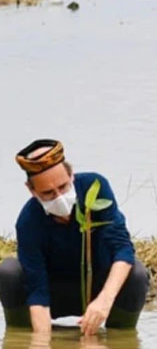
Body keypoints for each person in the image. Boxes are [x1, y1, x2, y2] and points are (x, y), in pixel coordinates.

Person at [0, 139, 149, 335]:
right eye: (48, 193)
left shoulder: (95, 188)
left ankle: (119, 335)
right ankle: (19, 332)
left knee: (137, 274)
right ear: (32, 191)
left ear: (71, 176)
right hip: (55, 291)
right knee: (9, 272)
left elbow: (122, 248)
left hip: (97, 287)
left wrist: (104, 301)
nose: (59, 197)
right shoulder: (29, 221)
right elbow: (38, 293)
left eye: (63, 187)